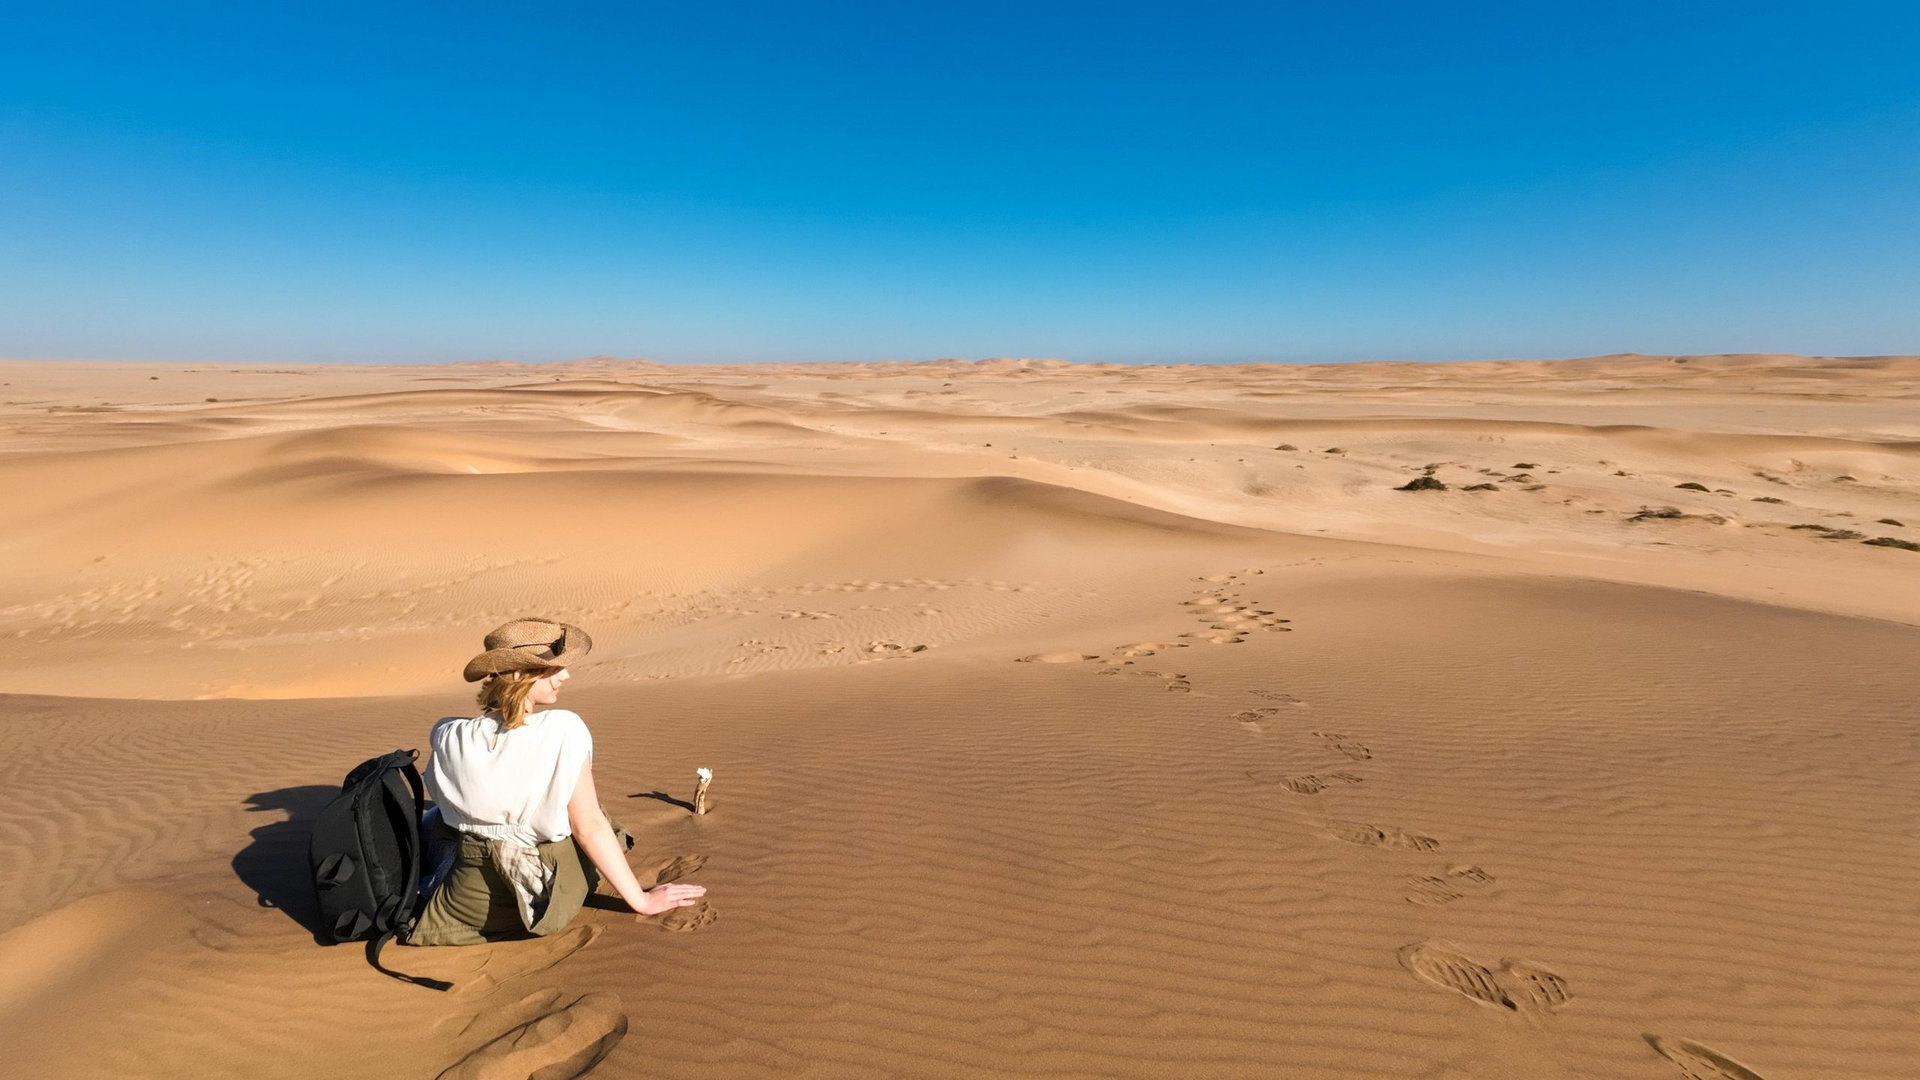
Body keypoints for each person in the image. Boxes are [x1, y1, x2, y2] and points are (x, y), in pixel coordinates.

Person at [408, 618, 705, 946]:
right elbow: (588, 828)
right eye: (552, 669)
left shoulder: (448, 732)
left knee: (441, 816)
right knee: (597, 820)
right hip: (529, 905)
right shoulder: (563, 730)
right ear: (520, 675)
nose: (565, 675)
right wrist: (642, 901)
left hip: (460, 904)